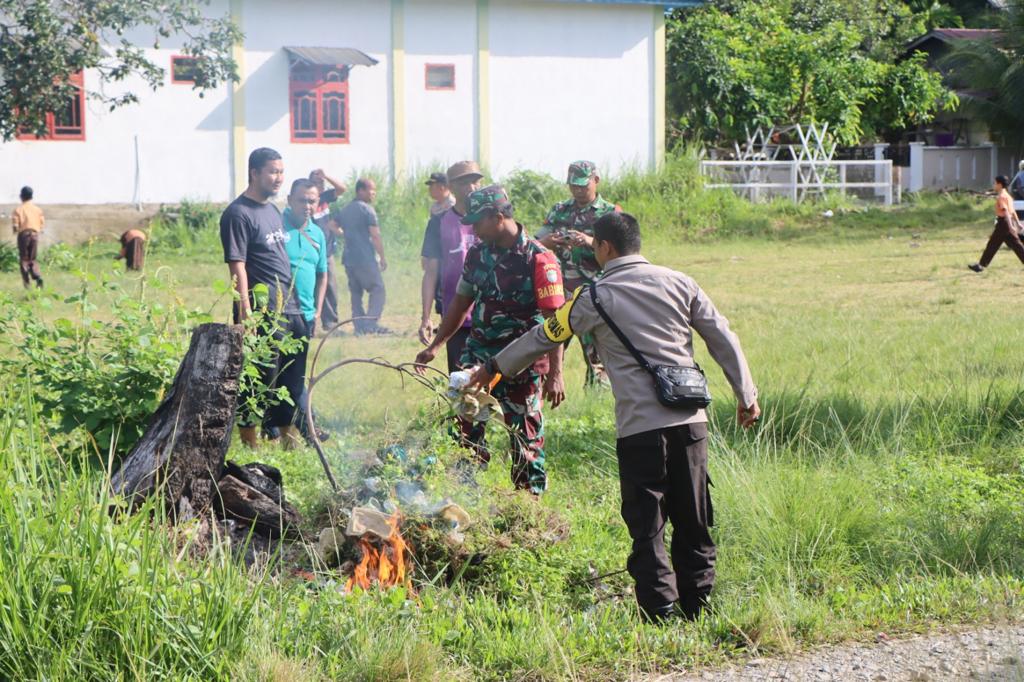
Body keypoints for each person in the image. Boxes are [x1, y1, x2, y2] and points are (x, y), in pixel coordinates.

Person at [465, 212, 760, 622]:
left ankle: (660, 611)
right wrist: (746, 394)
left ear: (604, 248)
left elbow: (543, 335)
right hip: (690, 422)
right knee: (694, 517)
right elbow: (722, 335)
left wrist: (494, 365)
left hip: (641, 427)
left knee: (648, 524)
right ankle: (700, 605)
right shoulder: (680, 282)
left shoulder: (594, 298)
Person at [415, 185, 566, 494]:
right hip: (479, 356)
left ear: (498, 218)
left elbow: (555, 323)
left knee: (525, 437)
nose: (472, 229)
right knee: (465, 430)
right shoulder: (478, 253)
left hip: (522, 363)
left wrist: (556, 373)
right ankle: (466, 501)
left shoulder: (539, 259)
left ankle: (527, 509)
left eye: (478, 222)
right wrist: (436, 346)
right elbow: (460, 303)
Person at [219, 147, 305, 448]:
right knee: (259, 375)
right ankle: (249, 443)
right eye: (272, 171)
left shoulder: (272, 210)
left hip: (289, 303)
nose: (278, 177)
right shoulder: (237, 214)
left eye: (281, 171)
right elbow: (237, 266)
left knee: (291, 375)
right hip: (261, 306)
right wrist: (246, 313)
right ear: (254, 172)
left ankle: (288, 440)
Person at [536, 161, 620, 386]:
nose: (578, 191)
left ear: (596, 181)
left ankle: (596, 402)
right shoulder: (559, 210)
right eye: (573, 186)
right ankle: (543, 393)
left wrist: (590, 242)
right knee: (549, 345)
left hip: (595, 292)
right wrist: (550, 242)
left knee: (596, 353)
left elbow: (621, 252)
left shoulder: (610, 213)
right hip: (559, 293)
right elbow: (538, 243)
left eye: (583, 186)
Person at [418, 161, 484, 371]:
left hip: (492, 314)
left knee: (494, 384)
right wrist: (426, 317)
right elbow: (431, 272)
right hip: (456, 316)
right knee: (460, 384)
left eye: (475, 182)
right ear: (452, 187)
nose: (472, 188)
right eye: (465, 183)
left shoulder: (491, 218)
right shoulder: (439, 223)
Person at [281, 178, 329, 445]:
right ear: (289, 200)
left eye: (312, 200)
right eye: (302, 200)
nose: (308, 206)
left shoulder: (318, 234)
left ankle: (298, 432)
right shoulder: (277, 229)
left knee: (295, 376)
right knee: (280, 374)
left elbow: (323, 274)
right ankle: (309, 429)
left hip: (307, 316)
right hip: (279, 313)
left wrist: (318, 310)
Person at [334, 178, 390, 335]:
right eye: (371, 190)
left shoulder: (345, 209)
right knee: (378, 289)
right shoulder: (367, 210)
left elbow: (332, 225)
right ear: (360, 191)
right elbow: (376, 235)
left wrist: (344, 235)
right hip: (364, 258)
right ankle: (370, 324)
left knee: (356, 293)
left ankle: (359, 326)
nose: (374, 194)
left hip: (349, 259)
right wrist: (382, 257)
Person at [309, 169, 347, 332]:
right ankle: (309, 323)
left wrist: (327, 176)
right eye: (317, 183)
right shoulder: (306, 202)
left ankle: (330, 323)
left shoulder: (325, 198)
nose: (321, 186)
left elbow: (342, 189)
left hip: (327, 251)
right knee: (310, 287)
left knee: (330, 287)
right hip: (311, 252)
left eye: (322, 183)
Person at [969, 175, 1024, 273]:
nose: (994, 185)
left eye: (995, 183)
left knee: (992, 244)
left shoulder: (1002, 196)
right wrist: (1017, 223)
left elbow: (1006, 211)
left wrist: (1011, 225)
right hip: (1007, 222)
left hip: (1003, 223)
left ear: (999, 184)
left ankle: (981, 265)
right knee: (1016, 245)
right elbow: (1013, 211)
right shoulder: (1008, 196)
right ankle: (981, 265)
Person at [11, 185, 44, 289]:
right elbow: (41, 224)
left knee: (24, 259)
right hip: (34, 235)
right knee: (32, 258)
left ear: (21, 196)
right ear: (32, 197)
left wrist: (15, 231)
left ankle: (27, 283)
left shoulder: (18, 210)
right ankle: (38, 277)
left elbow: (16, 226)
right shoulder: (38, 210)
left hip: (24, 235)